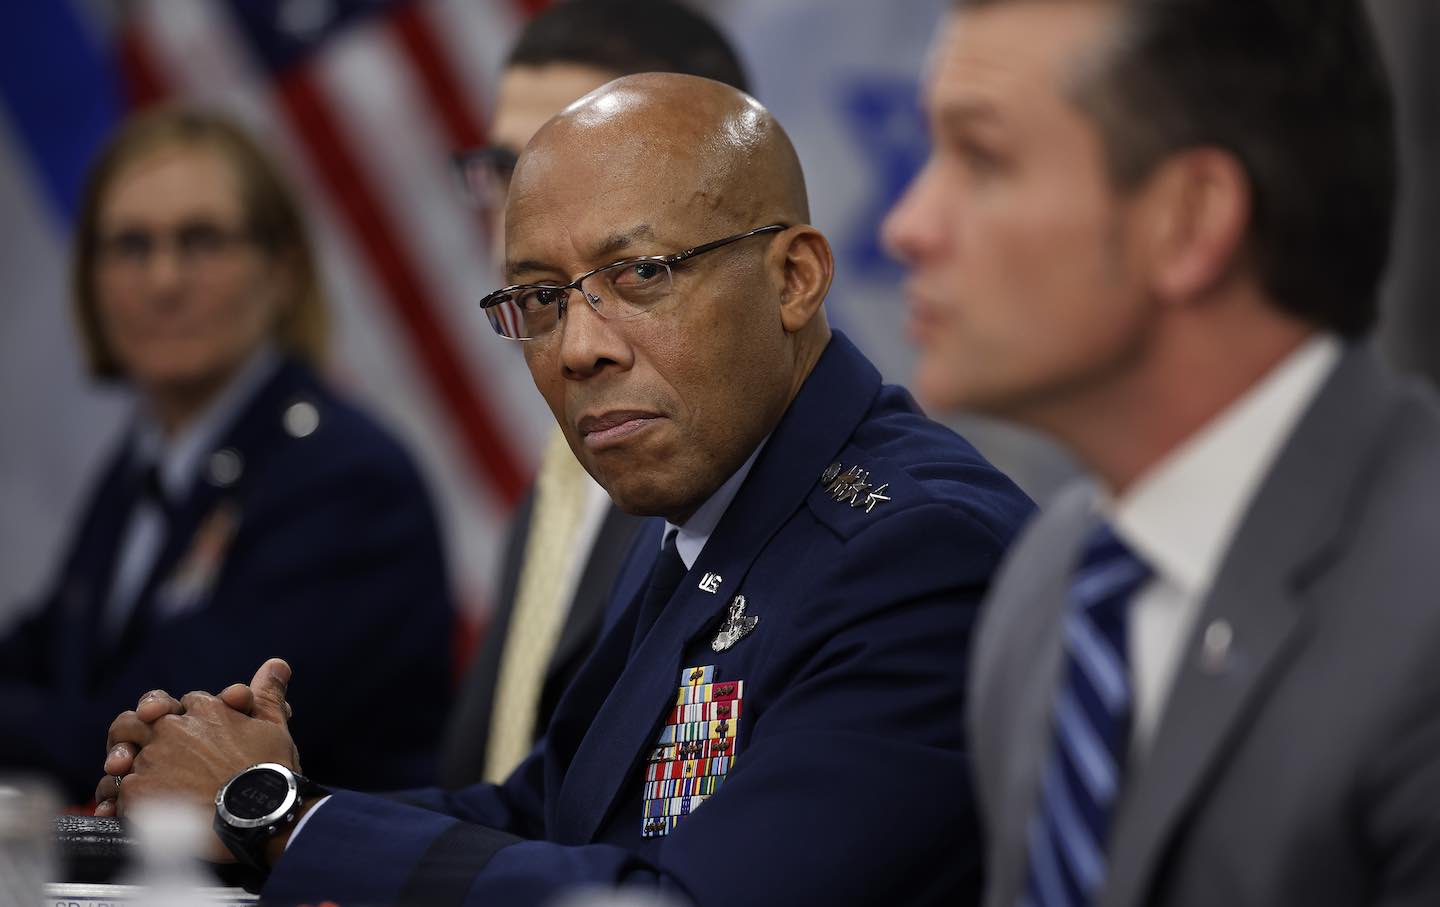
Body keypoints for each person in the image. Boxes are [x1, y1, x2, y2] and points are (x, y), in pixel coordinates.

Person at [99, 74, 1034, 905]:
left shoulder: (914, 552)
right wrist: (238, 789)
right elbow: (547, 812)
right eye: (541, 299)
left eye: (642, 274)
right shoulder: (701, 509)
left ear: (795, 278)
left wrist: (274, 818)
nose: (581, 346)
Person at [882, 2, 1440, 906]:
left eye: (981, 158)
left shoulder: (1422, 611)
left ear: (1190, 220)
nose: (908, 224)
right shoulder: (1048, 583)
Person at [0, 108, 455, 803]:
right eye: (129, 245)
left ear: (281, 268)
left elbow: (153, 738)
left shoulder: (345, 479)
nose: (163, 281)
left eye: (201, 240)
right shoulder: (151, 458)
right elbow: (51, 655)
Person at [442, 0, 751, 788]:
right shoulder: (561, 472)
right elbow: (506, 794)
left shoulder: (727, 472)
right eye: (502, 167)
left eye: (553, 162)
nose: (514, 211)